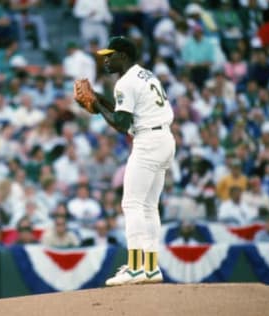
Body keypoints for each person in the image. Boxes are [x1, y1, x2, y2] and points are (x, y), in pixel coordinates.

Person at [91, 36, 176, 285]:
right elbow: (124, 112)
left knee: (132, 204)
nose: (106, 60)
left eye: (111, 55)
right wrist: (101, 101)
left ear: (124, 56)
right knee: (149, 206)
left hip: (148, 142)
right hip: (164, 139)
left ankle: (136, 267)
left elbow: (120, 124)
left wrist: (97, 104)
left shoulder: (124, 83)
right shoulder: (145, 74)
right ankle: (151, 268)